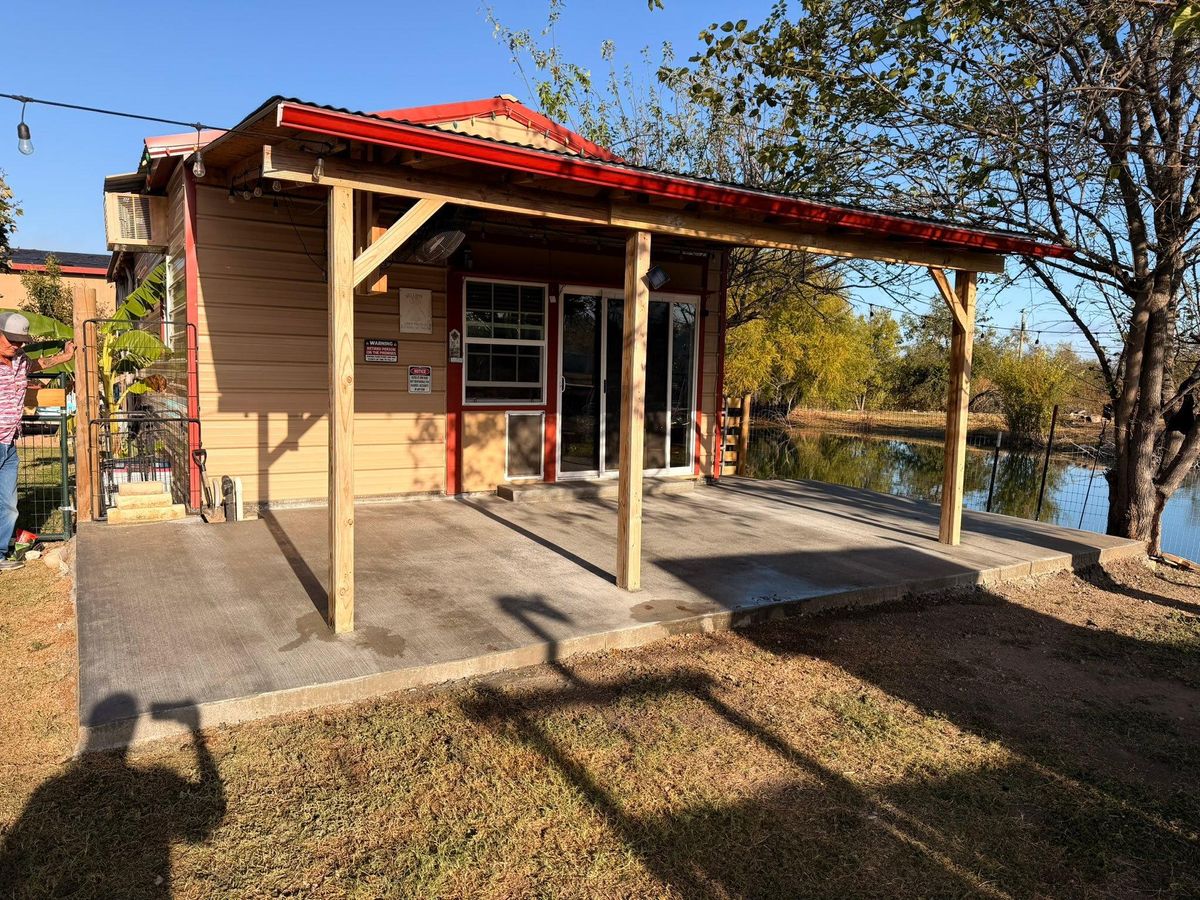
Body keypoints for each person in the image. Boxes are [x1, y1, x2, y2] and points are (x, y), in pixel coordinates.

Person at [0, 311, 74, 572]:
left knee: (9, 504)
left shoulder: (20, 360)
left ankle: (1, 554)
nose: (16, 346)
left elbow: (37, 364)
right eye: (11, 340)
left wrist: (64, 357)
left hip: (9, 442)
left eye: (20, 342)